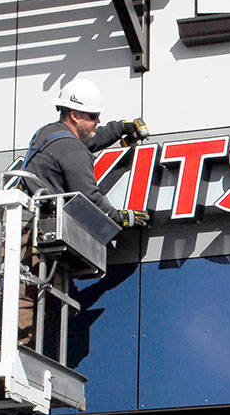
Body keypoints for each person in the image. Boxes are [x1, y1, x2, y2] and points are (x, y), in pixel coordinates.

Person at [17, 76, 148, 347]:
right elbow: (89, 197)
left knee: (31, 296)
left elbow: (91, 139)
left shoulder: (49, 134)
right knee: (29, 301)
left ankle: (1, 343)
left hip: (29, 229)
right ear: (75, 115)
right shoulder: (70, 149)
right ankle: (16, 351)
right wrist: (122, 218)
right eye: (92, 117)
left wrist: (120, 128)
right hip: (38, 238)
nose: (97, 122)